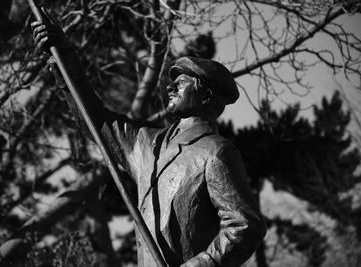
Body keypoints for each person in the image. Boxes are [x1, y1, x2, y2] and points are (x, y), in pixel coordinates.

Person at [31, 9, 266, 267]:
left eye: (183, 82)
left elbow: (245, 226)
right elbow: (95, 119)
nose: (170, 86)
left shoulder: (215, 152)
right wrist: (63, 56)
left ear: (207, 96)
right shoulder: (146, 143)